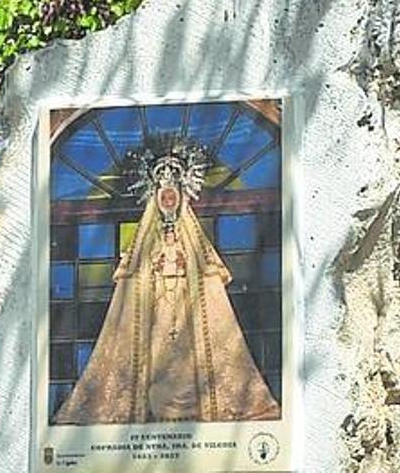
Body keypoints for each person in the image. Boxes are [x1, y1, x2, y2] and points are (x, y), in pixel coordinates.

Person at [54, 140, 280, 424]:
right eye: (163, 194)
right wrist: (153, 268)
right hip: (155, 315)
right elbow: (132, 280)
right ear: (156, 198)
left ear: (181, 197)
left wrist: (189, 269)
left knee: (187, 367)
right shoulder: (144, 243)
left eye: (173, 194)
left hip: (188, 314)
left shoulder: (193, 241)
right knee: (156, 367)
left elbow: (208, 278)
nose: (168, 199)